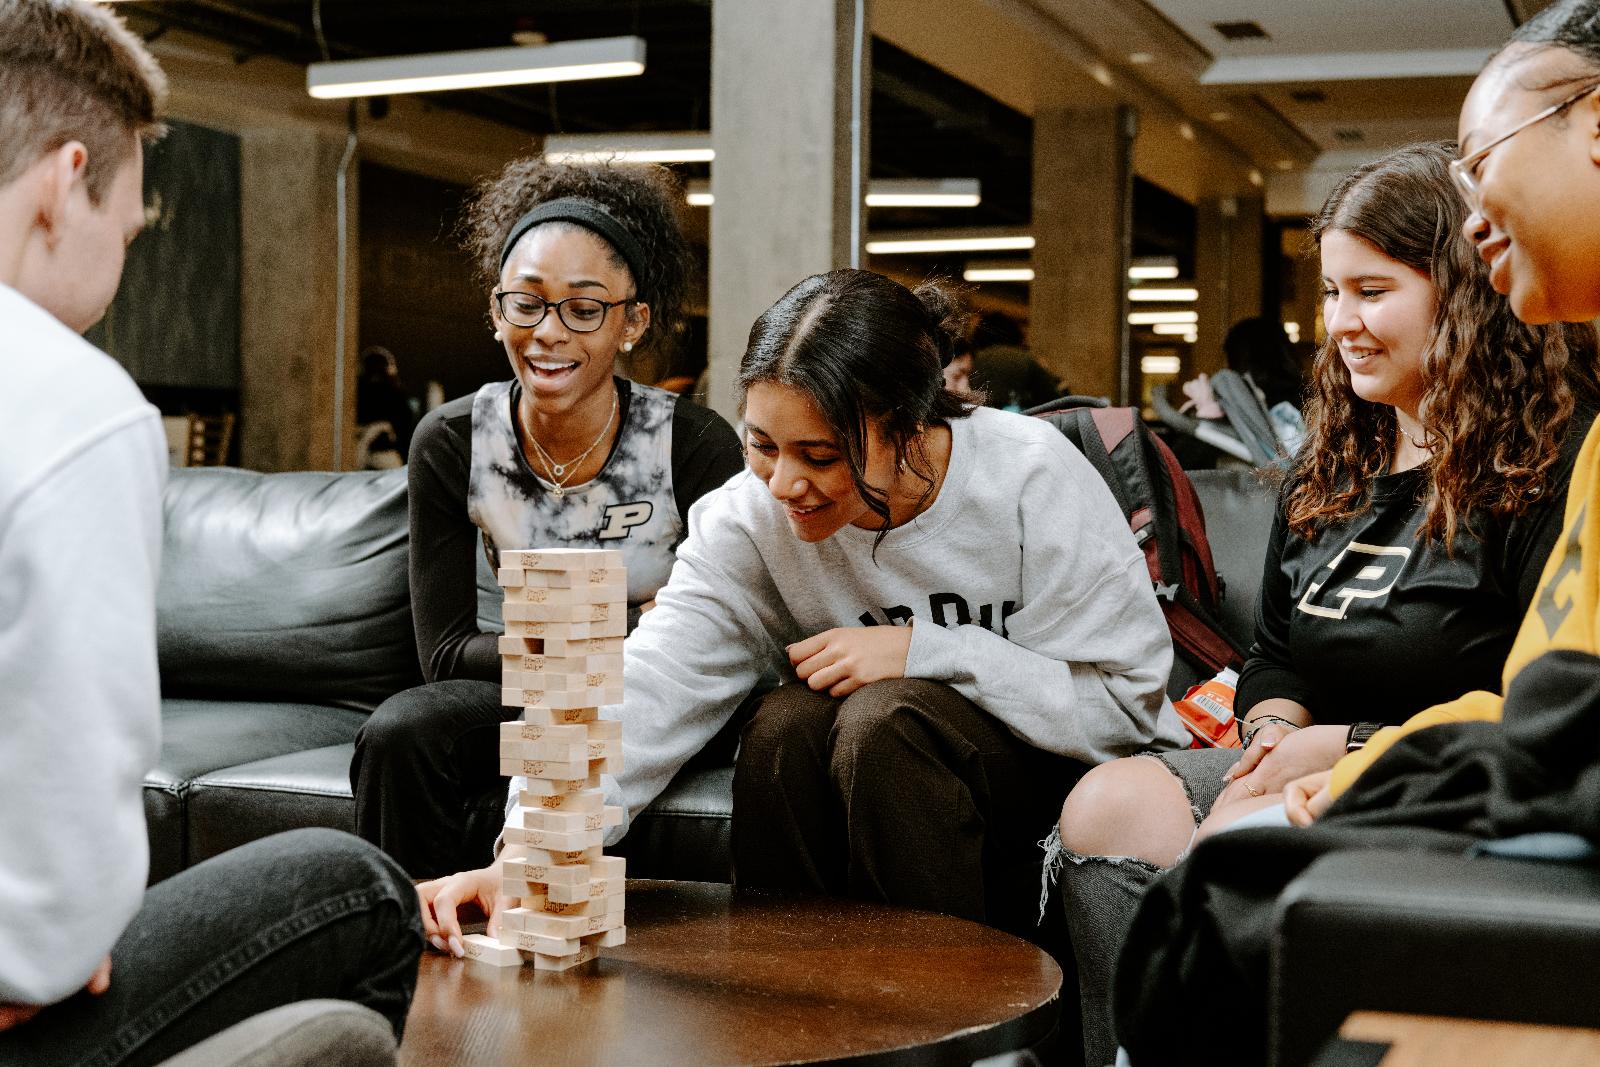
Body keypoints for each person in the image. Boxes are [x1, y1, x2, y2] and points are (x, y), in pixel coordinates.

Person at [413, 268, 1188, 957]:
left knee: (886, 721)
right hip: (889, 756)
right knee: (785, 722)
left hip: (1062, 766)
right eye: (761, 445)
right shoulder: (748, 518)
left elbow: (1125, 704)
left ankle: (952, 1028)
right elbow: (650, 685)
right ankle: (794, 1012)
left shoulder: (1029, 477)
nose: (784, 483)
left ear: (910, 429)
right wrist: (528, 856)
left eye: (820, 456)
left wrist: (927, 649)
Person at [1113, 6, 1600, 1062]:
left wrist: (1356, 760)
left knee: (1223, 897)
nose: (1478, 221)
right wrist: (1279, 737)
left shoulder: (1558, 453)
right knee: (1171, 854)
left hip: (1506, 797)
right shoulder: (1333, 465)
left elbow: (1543, 717)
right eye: (1331, 292)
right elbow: (1539, 704)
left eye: (1483, 162)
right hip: (1481, 773)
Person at [0, 3, 421, 1064]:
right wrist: (49, 944)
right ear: (64, 179)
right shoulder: (68, 406)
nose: (122, 262)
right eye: (131, 227)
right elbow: (53, 887)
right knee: (356, 885)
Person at [351, 157, 744, 878]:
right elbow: (443, 654)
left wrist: (555, 646)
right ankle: (410, 944)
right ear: (497, 310)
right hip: (525, 689)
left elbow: (724, 635)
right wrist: (616, 632)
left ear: (633, 321)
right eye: (526, 304)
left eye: (584, 308)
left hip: (661, 690)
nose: (549, 333)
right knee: (402, 729)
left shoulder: (695, 444)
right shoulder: (453, 440)